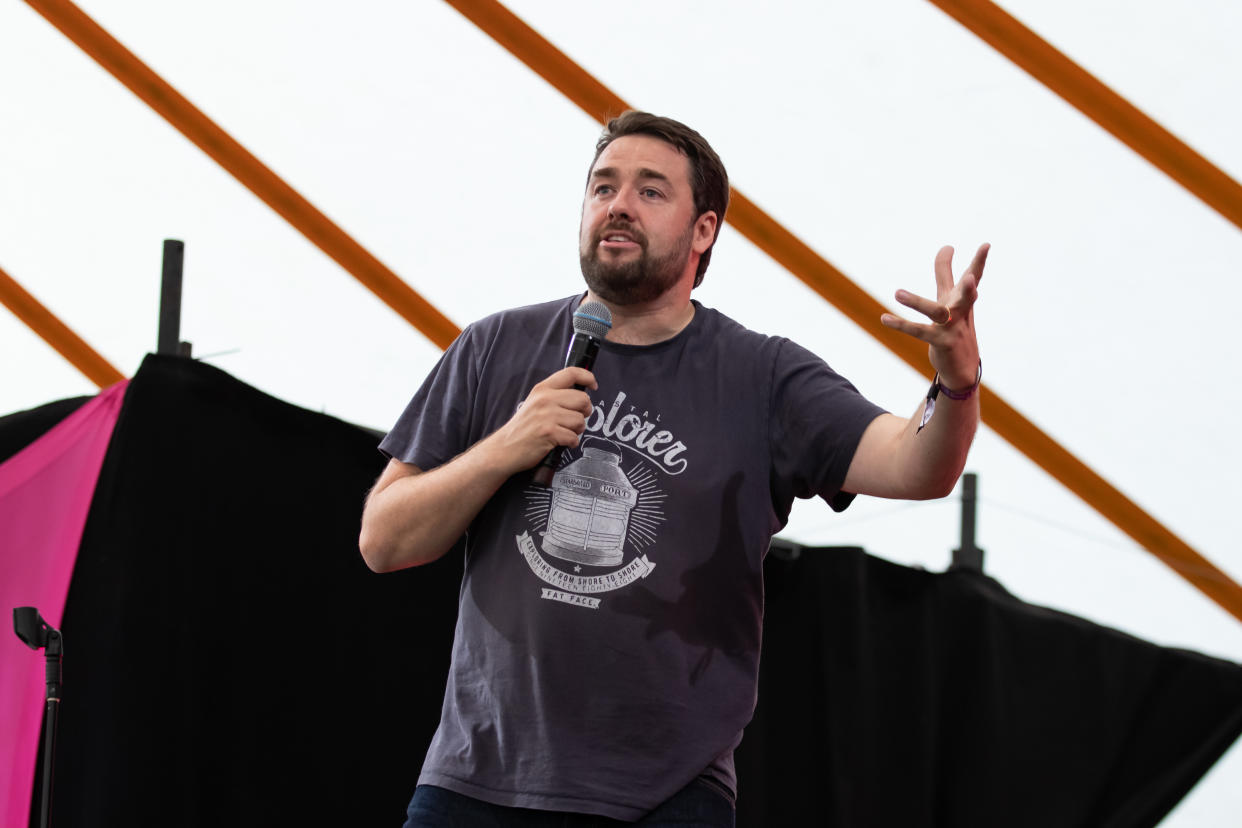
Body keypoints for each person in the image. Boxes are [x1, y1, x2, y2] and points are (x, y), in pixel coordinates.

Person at [359, 111, 987, 827]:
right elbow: (384, 539)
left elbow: (916, 464)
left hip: (662, 798)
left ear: (704, 231)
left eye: (651, 191)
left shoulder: (762, 377)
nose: (618, 204)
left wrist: (956, 382)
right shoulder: (494, 347)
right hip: (478, 783)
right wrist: (507, 445)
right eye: (603, 187)